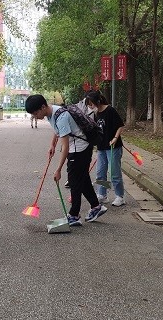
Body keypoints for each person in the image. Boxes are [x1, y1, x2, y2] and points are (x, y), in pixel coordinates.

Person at [25, 94, 106, 226]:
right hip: (78, 147)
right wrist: (52, 144)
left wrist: (58, 170)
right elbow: (57, 131)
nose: (35, 116)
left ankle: (74, 215)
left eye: (35, 113)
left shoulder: (61, 116)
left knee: (74, 182)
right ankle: (96, 206)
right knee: (83, 179)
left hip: (79, 149)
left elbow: (65, 147)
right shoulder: (52, 113)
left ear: (43, 107)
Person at [84, 90, 126, 207]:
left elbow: (120, 126)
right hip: (101, 148)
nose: (90, 106)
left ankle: (120, 196)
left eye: (91, 103)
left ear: (97, 101)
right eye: (89, 104)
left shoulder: (110, 110)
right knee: (100, 172)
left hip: (113, 147)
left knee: (114, 172)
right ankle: (102, 195)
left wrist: (115, 138)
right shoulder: (95, 114)